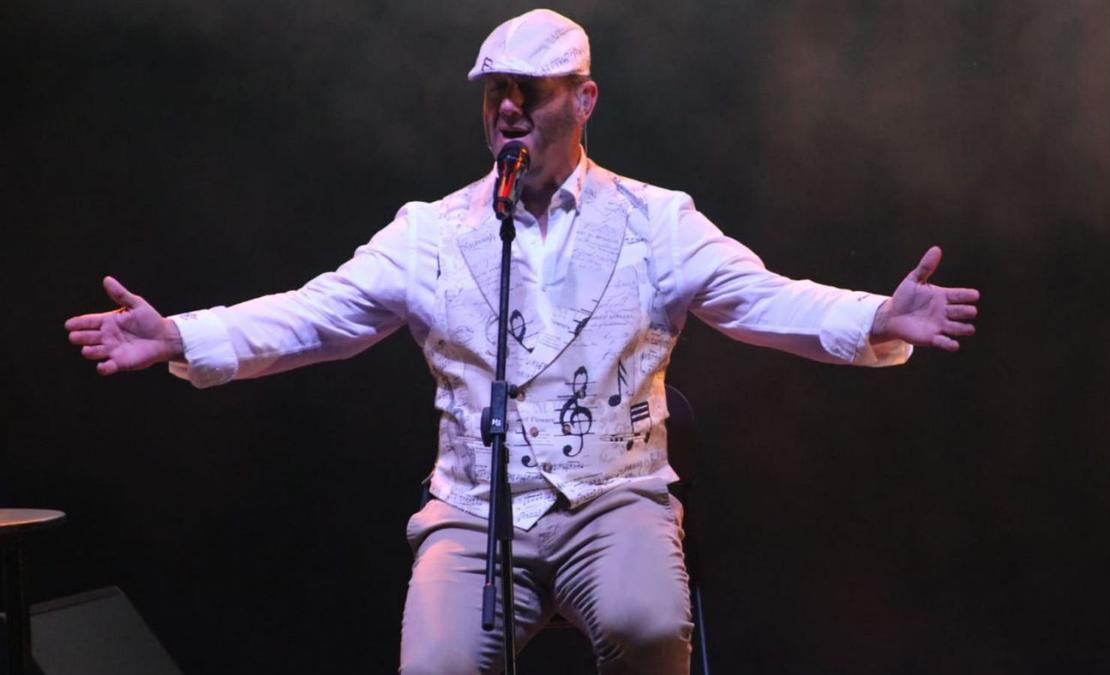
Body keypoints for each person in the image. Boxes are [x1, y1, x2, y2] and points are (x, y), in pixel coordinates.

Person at [64, 9, 979, 674]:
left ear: (583, 100)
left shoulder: (656, 221)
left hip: (613, 497)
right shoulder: (431, 231)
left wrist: (873, 317)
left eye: (528, 93)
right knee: (436, 665)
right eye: (494, 92)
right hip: (473, 511)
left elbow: (757, 296)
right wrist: (181, 332)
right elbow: (319, 312)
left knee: (645, 618)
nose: (506, 110)